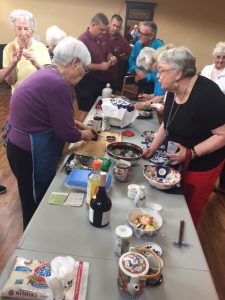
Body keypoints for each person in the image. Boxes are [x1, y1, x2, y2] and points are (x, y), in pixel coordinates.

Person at [5, 37, 96, 229]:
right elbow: (66, 132)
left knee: (30, 198)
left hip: (18, 147)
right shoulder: (58, 84)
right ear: (75, 63)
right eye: (84, 70)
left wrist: (82, 126)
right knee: (35, 203)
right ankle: (32, 247)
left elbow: (57, 116)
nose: (83, 75)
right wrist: (85, 135)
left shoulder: (48, 72)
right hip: (28, 151)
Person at [143, 46, 225, 227]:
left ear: (178, 73)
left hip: (203, 163)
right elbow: (167, 123)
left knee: (190, 208)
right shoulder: (172, 90)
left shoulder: (207, 94)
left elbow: (222, 135)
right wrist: (153, 148)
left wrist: (191, 153)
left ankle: (186, 241)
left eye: (162, 70)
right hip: (178, 156)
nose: (157, 75)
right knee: (175, 201)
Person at [75, 13, 117, 121]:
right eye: (101, 30)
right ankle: (78, 135)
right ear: (92, 25)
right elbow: (79, 65)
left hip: (99, 81)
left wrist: (111, 57)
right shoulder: (82, 40)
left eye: (104, 30)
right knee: (85, 110)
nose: (103, 33)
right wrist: (99, 67)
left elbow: (107, 52)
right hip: (86, 82)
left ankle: (89, 132)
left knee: (96, 109)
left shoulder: (101, 38)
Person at [3, 9, 51, 92]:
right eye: (19, 29)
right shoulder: (9, 48)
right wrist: (13, 63)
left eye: (26, 28)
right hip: (19, 97)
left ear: (33, 31)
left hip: (40, 95)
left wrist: (35, 62)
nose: (23, 33)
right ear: (14, 31)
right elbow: (11, 81)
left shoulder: (41, 47)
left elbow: (49, 77)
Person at [201, 41, 225, 195]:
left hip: (220, 115)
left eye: (224, 58)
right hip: (202, 112)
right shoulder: (206, 69)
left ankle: (215, 182)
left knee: (216, 144)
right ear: (213, 56)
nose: (220, 60)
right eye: (218, 57)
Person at [128, 21, 164, 94]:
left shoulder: (160, 49)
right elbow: (131, 60)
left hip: (155, 85)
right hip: (140, 82)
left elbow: (162, 73)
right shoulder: (138, 44)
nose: (139, 35)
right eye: (139, 32)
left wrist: (146, 76)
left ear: (151, 36)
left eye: (142, 34)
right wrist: (137, 70)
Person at [134, 44, 174, 110]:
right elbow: (162, 94)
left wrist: (144, 104)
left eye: (142, 67)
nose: (143, 69)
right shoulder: (157, 73)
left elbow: (161, 97)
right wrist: (149, 96)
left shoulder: (159, 73)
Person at [102, 14, 132, 89]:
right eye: (114, 25)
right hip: (98, 73)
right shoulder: (101, 34)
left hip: (112, 76)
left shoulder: (121, 39)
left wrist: (119, 58)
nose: (115, 28)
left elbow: (130, 53)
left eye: (118, 27)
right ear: (110, 23)